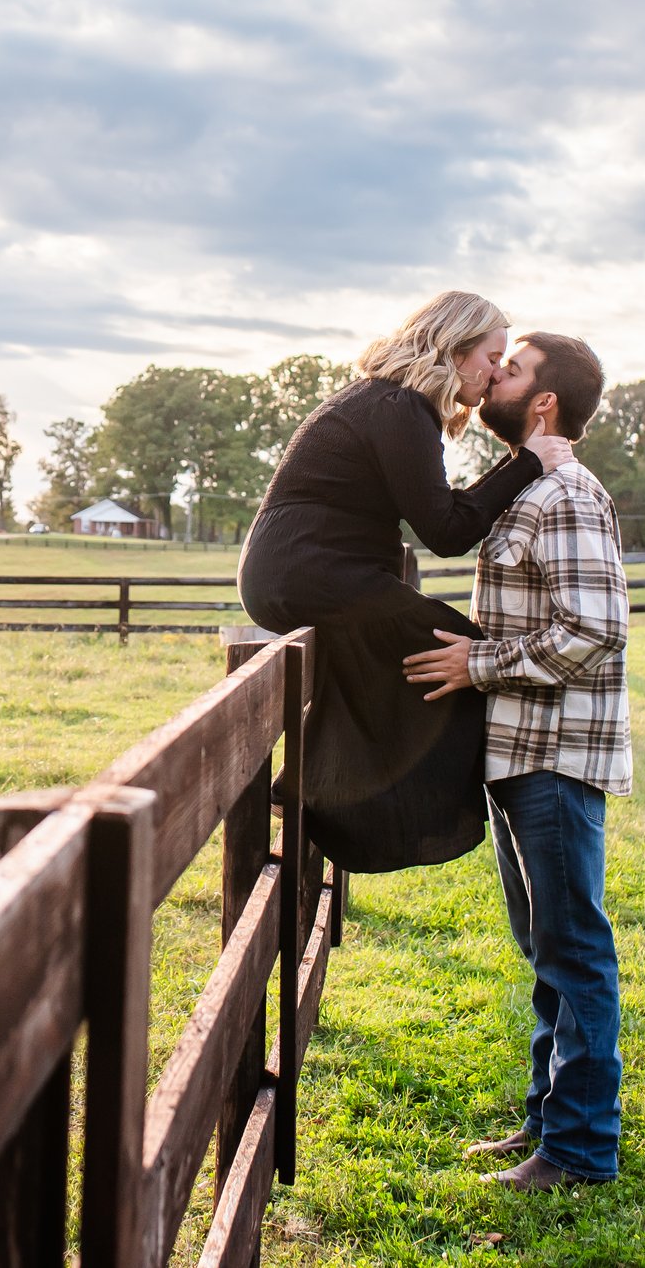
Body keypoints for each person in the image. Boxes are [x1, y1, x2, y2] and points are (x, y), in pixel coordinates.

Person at [238, 293, 573, 871]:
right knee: (453, 648)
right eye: (493, 358)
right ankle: (363, 810)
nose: (495, 374)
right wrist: (529, 462)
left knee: (404, 664)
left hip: (304, 574)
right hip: (308, 574)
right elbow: (445, 530)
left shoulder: (388, 403)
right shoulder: (399, 407)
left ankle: (310, 785)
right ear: (456, 349)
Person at [404, 332, 627, 1191]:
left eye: (513, 365)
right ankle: (548, 1124)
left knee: (572, 947)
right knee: (547, 945)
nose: (493, 373)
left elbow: (593, 630)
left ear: (545, 402)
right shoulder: (525, 487)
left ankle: (577, 1150)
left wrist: (478, 664)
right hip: (519, 750)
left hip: (556, 755)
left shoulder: (566, 493)